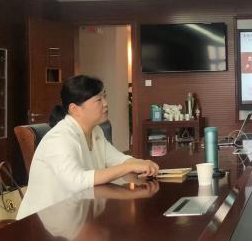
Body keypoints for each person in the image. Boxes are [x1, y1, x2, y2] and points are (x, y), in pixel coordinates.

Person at [17, 75, 160, 219]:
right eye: (98, 100)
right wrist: (129, 168)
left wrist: (142, 164)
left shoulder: (95, 131)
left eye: (104, 97)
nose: (105, 104)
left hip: (77, 215)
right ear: (75, 109)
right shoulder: (59, 138)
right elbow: (76, 181)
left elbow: (117, 159)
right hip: (42, 222)